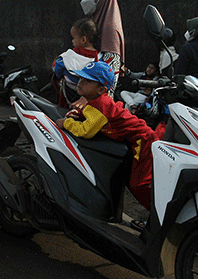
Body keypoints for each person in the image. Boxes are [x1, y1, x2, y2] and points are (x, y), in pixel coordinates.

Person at [55, 61, 159, 216]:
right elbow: (90, 114)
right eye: (81, 78)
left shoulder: (101, 106)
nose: (80, 82)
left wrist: (67, 123)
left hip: (143, 141)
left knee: (138, 185)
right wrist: (79, 114)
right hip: (138, 139)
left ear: (101, 89)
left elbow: (86, 130)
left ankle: (159, 216)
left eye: (87, 80)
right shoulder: (97, 102)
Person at [79, 0, 124, 96]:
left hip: (97, 98)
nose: (85, 0)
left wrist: (88, 96)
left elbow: (110, 70)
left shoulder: (110, 29)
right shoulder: (98, 22)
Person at [53, 18, 106, 108]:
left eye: (73, 38)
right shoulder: (100, 57)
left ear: (83, 40)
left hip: (70, 93)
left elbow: (58, 68)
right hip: (90, 95)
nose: (72, 41)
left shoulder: (71, 55)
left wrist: (60, 74)